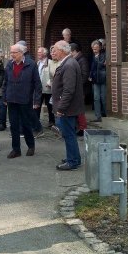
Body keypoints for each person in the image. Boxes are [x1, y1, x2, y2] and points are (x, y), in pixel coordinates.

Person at [3, 44, 41, 159]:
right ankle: (16, 149)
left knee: (26, 124)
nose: (12, 55)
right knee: (13, 125)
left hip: (25, 100)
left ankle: (31, 146)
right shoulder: (9, 64)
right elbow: (5, 82)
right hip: (12, 99)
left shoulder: (31, 64)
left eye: (14, 53)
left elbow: (37, 84)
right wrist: (5, 97)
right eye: (11, 53)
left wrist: (37, 100)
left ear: (21, 53)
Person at [51, 41, 84, 171]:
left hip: (67, 109)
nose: (54, 52)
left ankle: (73, 161)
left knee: (69, 134)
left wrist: (61, 108)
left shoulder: (69, 64)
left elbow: (68, 90)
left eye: (56, 50)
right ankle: (74, 158)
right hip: (68, 107)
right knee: (69, 134)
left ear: (63, 51)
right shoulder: (67, 62)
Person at [70, 43, 89, 135]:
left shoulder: (82, 60)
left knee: (79, 109)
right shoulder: (76, 59)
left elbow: (84, 76)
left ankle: (82, 128)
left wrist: (76, 86)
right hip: (77, 88)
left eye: (70, 52)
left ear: (74, 51)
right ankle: (79, 126)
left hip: (80, 89)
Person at [89, 39, 107, 123]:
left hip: (103, 78)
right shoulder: (92, 56)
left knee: (103, 97)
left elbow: (101, 65)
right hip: (95, 79)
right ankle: (98, 116)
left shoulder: (104, 55)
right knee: (96, 98)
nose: (94, 50)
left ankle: (105, 113)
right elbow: (92, 67)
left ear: (100, 48)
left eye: (95, 49)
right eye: (93, 49)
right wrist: (90, 75)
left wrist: (97, 60)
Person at [37, 47, 55, 128]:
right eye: (38, 52)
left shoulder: (50, 63)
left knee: (50, 106)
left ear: (44, 53)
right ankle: (36, 121)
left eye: (40, 52)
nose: (38, 54)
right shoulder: (38, 63)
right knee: (37, 105)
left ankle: (52, 121)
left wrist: (50, 82)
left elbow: (54, 75)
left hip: (48, 89)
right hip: (39, 89)